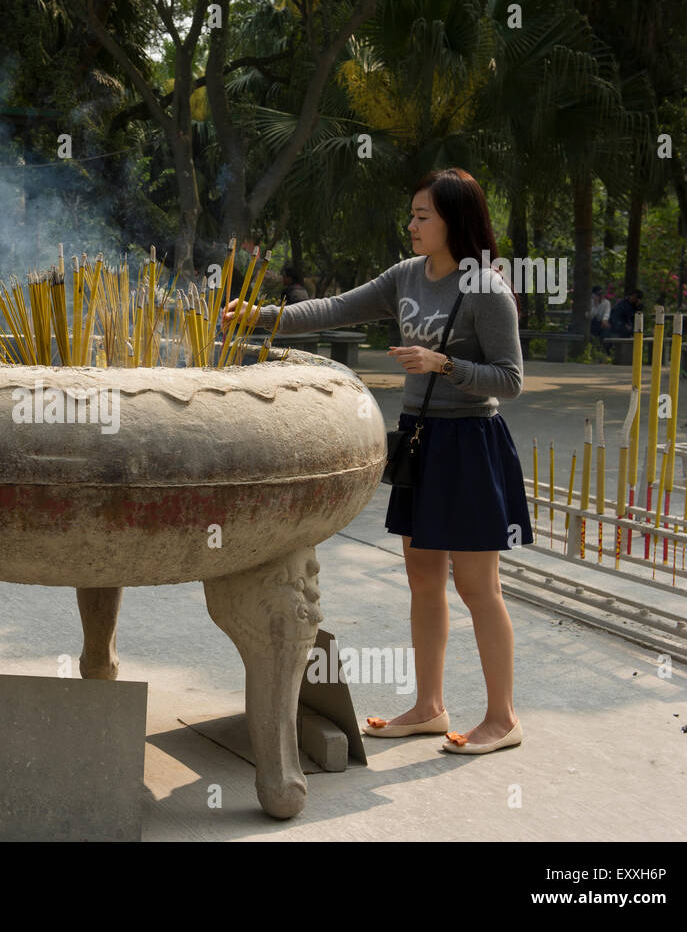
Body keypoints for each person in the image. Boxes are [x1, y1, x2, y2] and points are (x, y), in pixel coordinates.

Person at [222, 167, 531, 753]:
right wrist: (258, 317)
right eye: (411, 214)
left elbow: (511, 381)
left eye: (423, 216)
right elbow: (333, 309)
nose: (411, 225)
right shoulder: (406, 276)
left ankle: (503, 718)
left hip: (470, 445)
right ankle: (429, 706)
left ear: (454, 221)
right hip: (421, 441)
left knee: (477, 586)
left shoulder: (485, 288)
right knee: (422, 580)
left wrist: (443, 365)